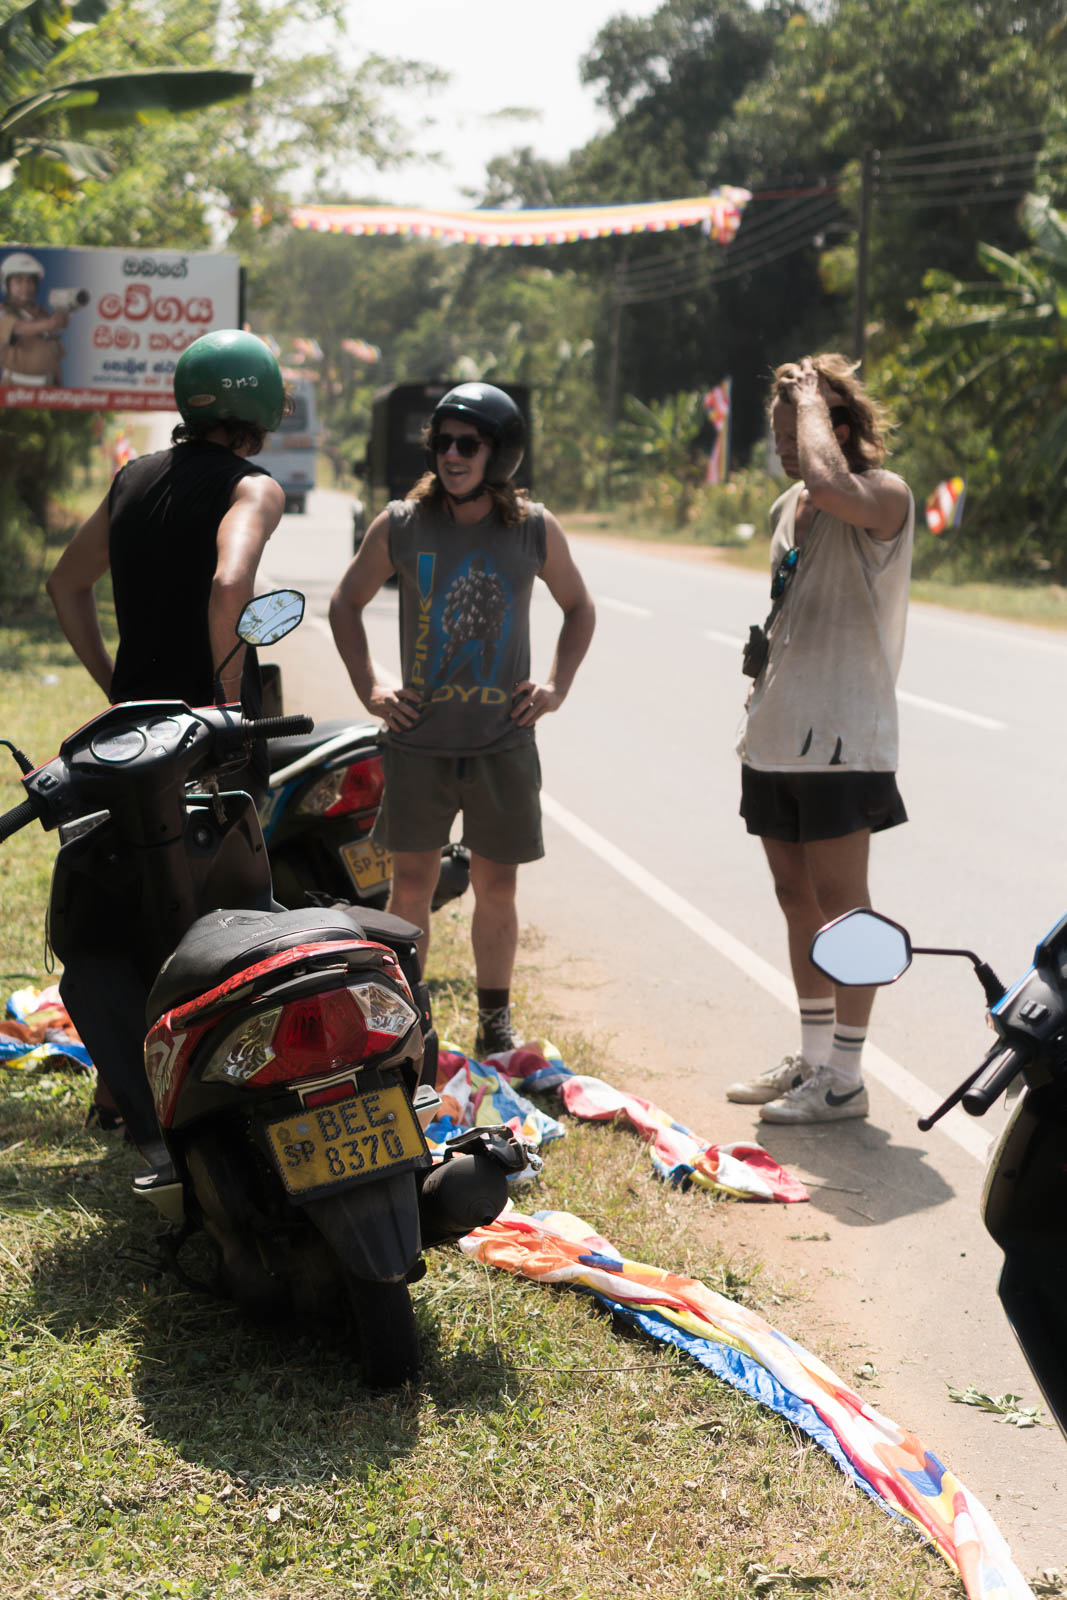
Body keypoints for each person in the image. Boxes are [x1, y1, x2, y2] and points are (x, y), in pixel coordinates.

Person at [45, 328, 287, 1170]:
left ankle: (121, 1088)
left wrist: (115, 685)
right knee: (221, 914)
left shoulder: (131, 479)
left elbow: (64, 584)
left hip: (129, 740)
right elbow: (230, 585)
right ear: (262, 407)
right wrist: (223, 705)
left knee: (131, 899)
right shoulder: (254, 488)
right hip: (206, 742)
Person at [329, 381, 596, 1057]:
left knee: (494, 884)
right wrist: (371, 689)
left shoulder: (532, 528)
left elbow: (579, 607)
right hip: (417, 743)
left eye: (467, 444)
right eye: (442, 441)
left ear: (497, 454)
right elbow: (344, 604)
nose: (451, 454)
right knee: (410, 884)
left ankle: (494, 1021)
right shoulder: (400, 523)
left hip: (502, 742)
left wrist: (558, 686)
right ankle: (406, 1021)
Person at [728, 353, 914, 1124]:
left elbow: (833, 482)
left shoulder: (880, 497)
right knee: (792, 896)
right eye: (776, 431)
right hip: (776, 733)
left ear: (834, 429)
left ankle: (845, 1073)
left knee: (844, 907)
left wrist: (808, 396)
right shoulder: (789, 504)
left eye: (792, 430)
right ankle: (810, 1059)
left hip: (842, 735)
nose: (782, 447)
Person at [0, 251, 68, 386]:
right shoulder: (3, 311)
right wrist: (52, 323)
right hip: (14, 387)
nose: (25, 287)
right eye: (18, 281)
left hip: (47, 388)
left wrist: (61, 390)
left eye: (30, 281)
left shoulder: (43, 314)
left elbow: (54, 355)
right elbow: (19, 328)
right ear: (7, 286)